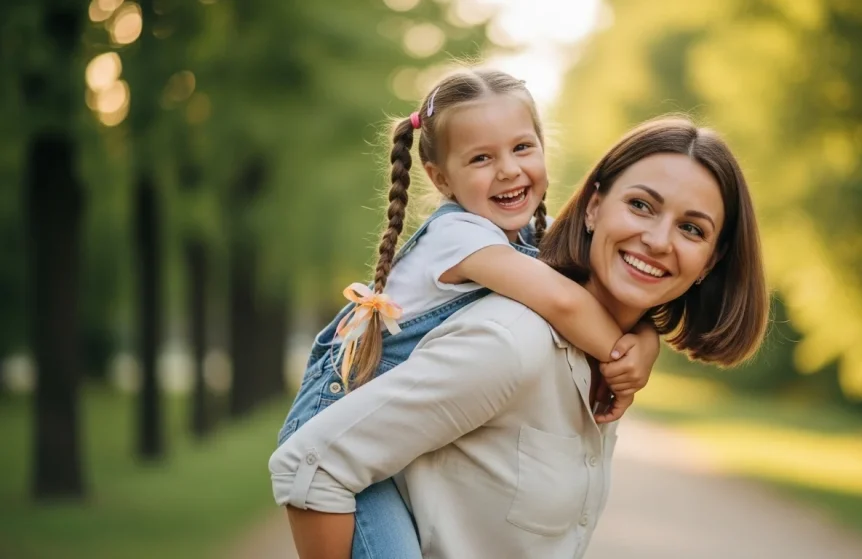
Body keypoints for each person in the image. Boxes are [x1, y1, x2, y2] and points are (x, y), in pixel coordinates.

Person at [270, 115, 770, 559]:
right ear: (594, 207)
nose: (659, 241)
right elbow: (311, 463)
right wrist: (626, 344)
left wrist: (642, 336)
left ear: (712, 261)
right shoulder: (511, 343)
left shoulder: (599, 349)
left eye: (692, 229)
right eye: (640, 205)